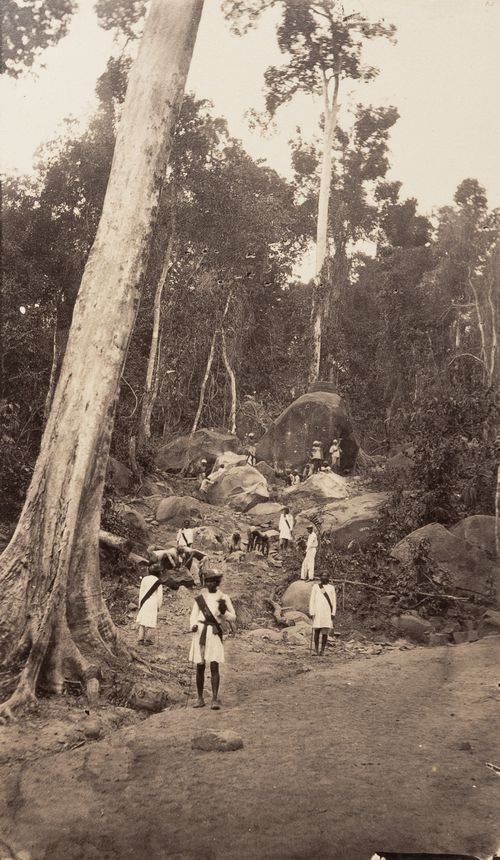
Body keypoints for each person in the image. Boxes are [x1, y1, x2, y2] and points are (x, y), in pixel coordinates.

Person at [189, 569, 236, 710]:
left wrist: (223, 612)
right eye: (207, 580)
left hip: (214, 633)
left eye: (212, 581)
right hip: (201, 632)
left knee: (214, 665)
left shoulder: (223, 597)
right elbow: (193, 615)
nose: (209, 583)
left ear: (217, 582)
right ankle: (200, 698)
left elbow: (233, 617)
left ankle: (215, 699)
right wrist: (194, 625)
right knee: (200, 665)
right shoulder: (200, 598)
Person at [136, 558, 167, 645]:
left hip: (144, 602)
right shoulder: (158, 582)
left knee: (142, 621)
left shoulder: (144, 579)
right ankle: (148, 640)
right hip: (153, 603)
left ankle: (140, 639)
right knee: (150, 621)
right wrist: (158, 606)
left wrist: (140, 604)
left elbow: (141, 592)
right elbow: (160, 596)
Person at [309, 571, 337, 656]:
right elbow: (312, 600)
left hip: (327, 612)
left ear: (328, 578)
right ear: (320, 577)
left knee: (325, 631)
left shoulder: (331, 587)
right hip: (317, 612)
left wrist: (333, 612)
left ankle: (322, 650)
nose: (324, 577)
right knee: (317, 630)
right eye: (322, 576)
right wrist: (311, 611)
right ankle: (316, 649)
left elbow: (334, 601)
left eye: (326, 576)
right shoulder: (316, 587)